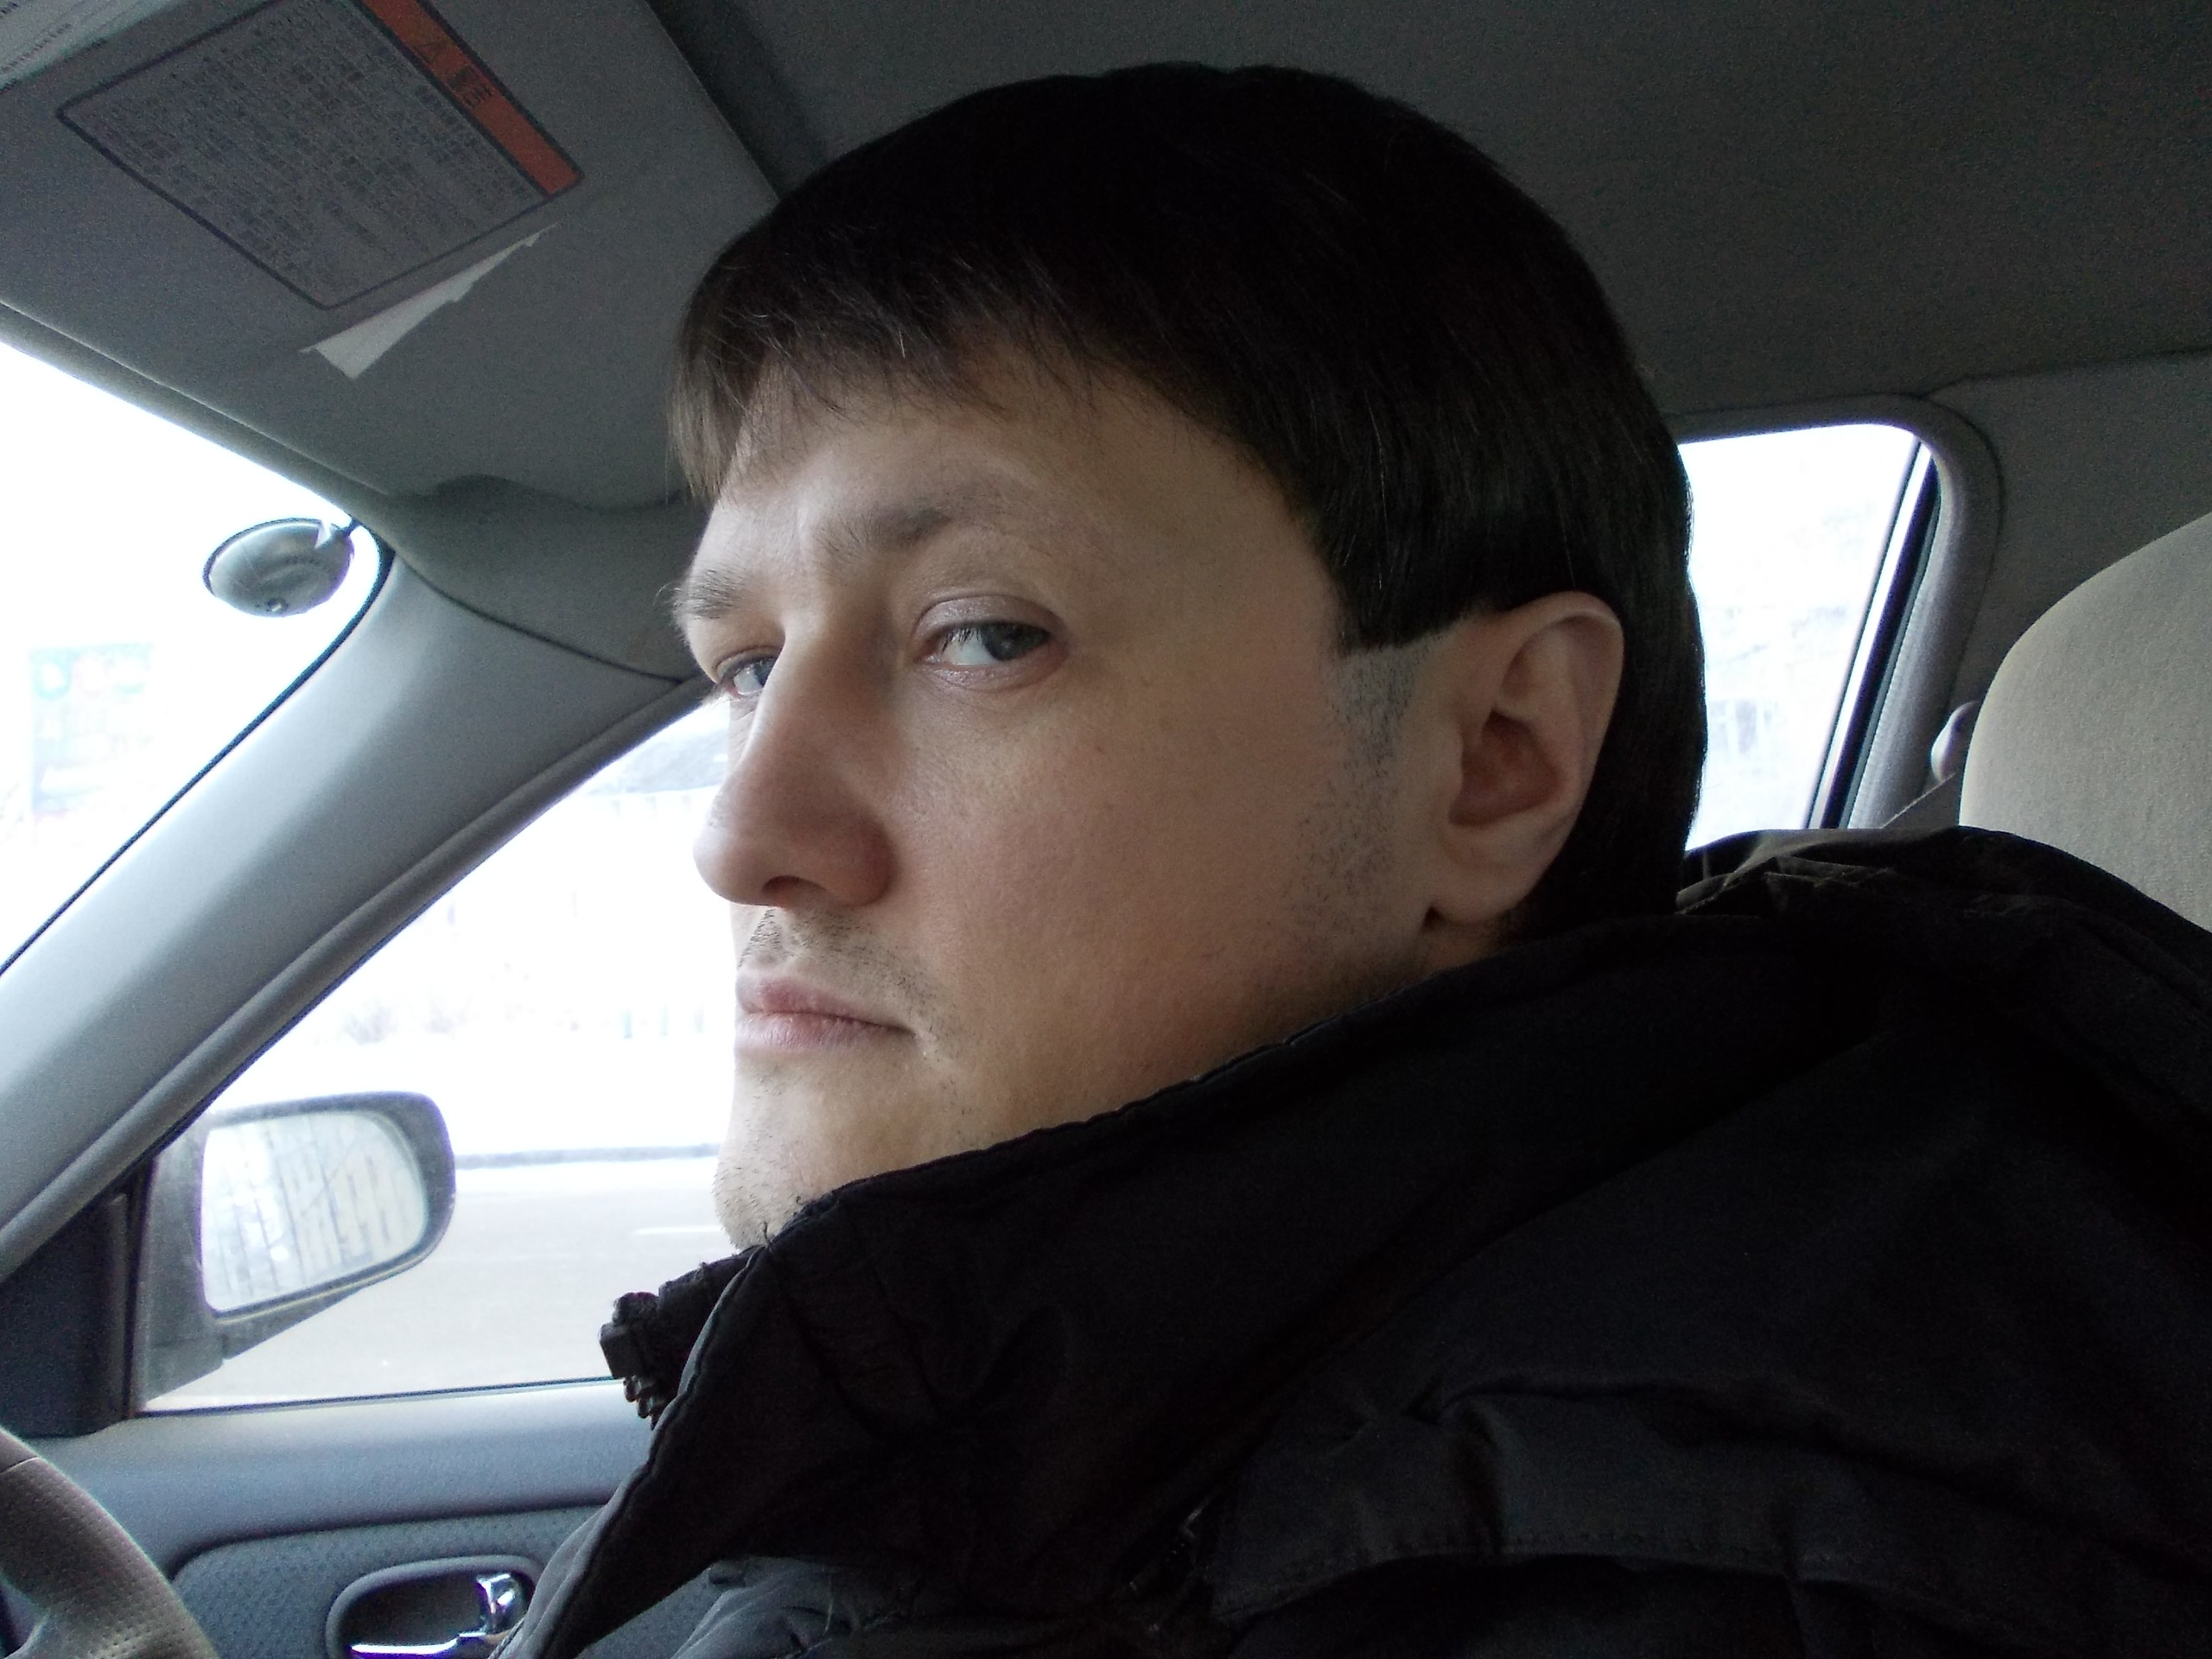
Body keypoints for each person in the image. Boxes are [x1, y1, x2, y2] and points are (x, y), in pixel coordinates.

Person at [506, 64, 2212, 1659]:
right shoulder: (1121, 1448)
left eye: (986, 635)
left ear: (1493, 758)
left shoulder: (1720, 1578)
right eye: (746, 666)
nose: (743, 837)